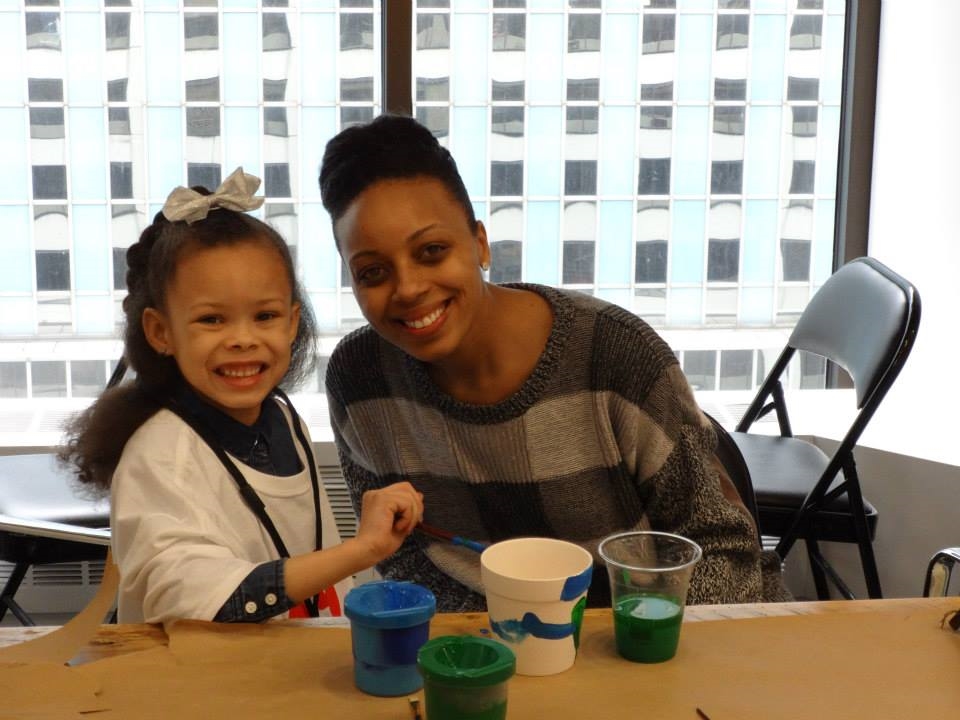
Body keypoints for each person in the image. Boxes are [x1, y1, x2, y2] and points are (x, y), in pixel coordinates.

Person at [318, 115, 788, 612]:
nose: (409, 288)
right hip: (483, 651)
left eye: (432, 251)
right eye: (373, 272)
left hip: (643, 636)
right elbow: (407, 557)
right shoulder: (360, 377)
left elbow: (720, 550)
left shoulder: (613, 354)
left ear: (479, 243)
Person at [60, 167, 423, 624]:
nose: (243, 339)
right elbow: (204, 602)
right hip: (199, 686)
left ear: (292, 324)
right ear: (161, 331)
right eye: (213, 320)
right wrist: (364, 549)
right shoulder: (161, 458)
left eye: (265, 316)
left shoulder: (284, 419)